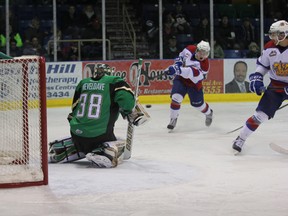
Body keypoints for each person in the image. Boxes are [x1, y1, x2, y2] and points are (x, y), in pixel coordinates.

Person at [48, 63, 147, 168]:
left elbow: (74, 109)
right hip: (100, 136)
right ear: (109, 73)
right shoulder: (114, 82)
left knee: (83, 136)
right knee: (120, 142)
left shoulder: (83, 83)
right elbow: (128, 105)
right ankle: (104, 154)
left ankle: (63, 150)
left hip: (76, 134)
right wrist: (133, 102)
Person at [232, 20, 288, 154]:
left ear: (284, 34)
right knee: (260, 115)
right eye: (272, 35)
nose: (273, 38)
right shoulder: (269, 47)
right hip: (276, 87)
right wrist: (257, 77)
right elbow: (263, 66)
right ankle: (241, 138)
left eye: (277, 35)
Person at [165, 40, 213, 130]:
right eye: (201, 52)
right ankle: (173, 118)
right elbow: (180, 58)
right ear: (197, 50)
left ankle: (209, 113)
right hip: (181, 80)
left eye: (205, 53)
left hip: (194, 84)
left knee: (198, 105)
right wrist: (176, 66)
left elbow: (191, 73)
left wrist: (177, 70)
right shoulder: (189, 49)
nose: (202, 55)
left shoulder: (205, 65)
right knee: (176, 98)